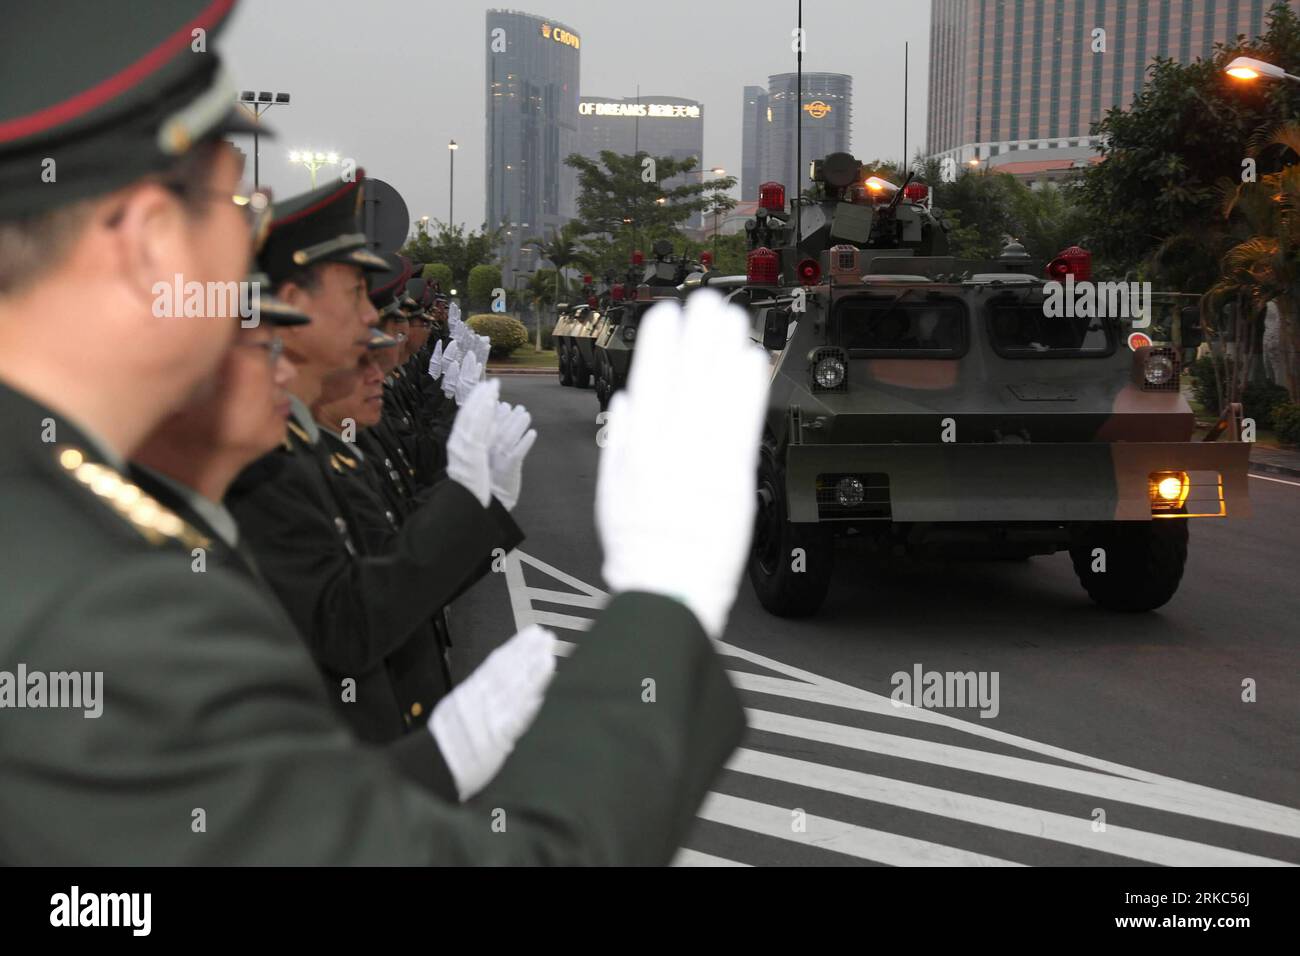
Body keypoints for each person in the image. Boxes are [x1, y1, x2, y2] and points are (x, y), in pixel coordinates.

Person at [0, 0, 757, 864]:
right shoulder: (96, 600)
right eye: (232, 206)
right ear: (143, 244)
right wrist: (665, 606)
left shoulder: (66, 507)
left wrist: (431, 763)